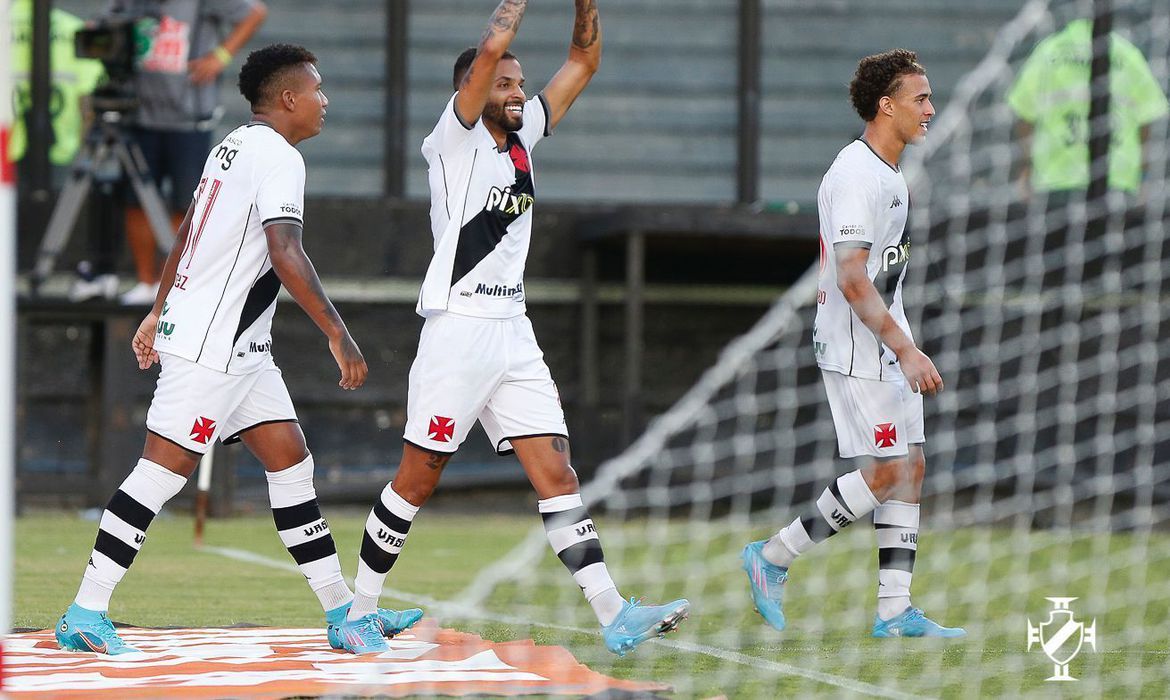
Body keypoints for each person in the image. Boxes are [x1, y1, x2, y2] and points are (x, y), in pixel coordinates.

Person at [336, 0, 690, 656]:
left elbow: (584, 60)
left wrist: (585, 5)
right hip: (457, 330)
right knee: (418, 477)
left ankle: (614, 612)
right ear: (470, 90)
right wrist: (511, 14)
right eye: (505, 82)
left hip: (512, 333)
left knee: (558, 474)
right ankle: (355, 613)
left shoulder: (525, 137)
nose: (518, 90)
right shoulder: (453, 136)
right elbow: (488, 54)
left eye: (522, 83)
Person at [54, 44, 421, 656]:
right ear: (287, 99)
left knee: (290, 462)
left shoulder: (230, 145)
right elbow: (285, 250)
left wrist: (155, 308)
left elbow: (188, 233)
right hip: (210, 349)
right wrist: (337, 331)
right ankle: (84, 610)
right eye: (317, 90)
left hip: (242, 350)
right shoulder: (279, 157)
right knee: (158, 475)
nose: (324, 102)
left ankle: (342, 613)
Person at [741, 49, 965, 639]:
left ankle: (894, 610)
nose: (930, 110)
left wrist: (902, 341)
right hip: (857, 345)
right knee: (889, 471)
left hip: (886, 336)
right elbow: (851, 276)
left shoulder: (889, 172)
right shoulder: (856, 175)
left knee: (910, 467)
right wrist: (905, 348)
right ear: (885, 106)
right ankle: (773, 557)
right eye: (921, 99)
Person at [109, 0, 268, 304]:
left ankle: (174, 286)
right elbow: (107, 20)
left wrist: (220, 55)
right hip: (139, 113)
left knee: (188, 202)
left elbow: (255, 12)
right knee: (135, 200)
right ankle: (146, 281)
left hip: (188, 117)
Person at [1007, 15, 1169, 197]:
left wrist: (1028, 166)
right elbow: (1148, 120)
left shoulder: (1049, 52)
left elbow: (1024, 118)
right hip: (1117, 181)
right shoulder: (1127, 53)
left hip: (1055, 182)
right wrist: (1142, 174)